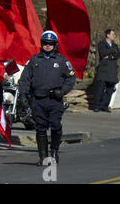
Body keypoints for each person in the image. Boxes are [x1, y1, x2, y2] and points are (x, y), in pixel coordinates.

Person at [18, 30, 76, 166]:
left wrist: (62, 91)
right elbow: (25, 79)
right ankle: (43, 157)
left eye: (50, 43)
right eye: (45, 43)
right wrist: (23, 95)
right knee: (40, 128)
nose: (47, 46)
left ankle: (54, 151)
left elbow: (71, 78)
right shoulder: (34, 60)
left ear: (55, 45)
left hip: (54, 100)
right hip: (38, 100)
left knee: (56, 125)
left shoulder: (62, 61)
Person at [93, 29, 120, 113]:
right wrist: (112, 52)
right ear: (108, 35)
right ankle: (96, 106)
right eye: (113, 34)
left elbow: (118, 54)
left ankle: (104, 106)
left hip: (112, 70)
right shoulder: (101, 44)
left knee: (110, 89)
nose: (114, 36)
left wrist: (109, 57)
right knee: (100, 89)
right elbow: (103, 53)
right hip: (104, 70)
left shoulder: (115, 45)